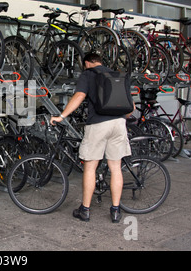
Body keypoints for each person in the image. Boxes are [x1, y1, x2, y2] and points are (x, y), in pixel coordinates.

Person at [50, 52, 134, 223]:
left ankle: (85, 210)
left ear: (87, 63)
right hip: (119, 123)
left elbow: (79, 96)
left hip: (98, 124)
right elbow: (130, 107)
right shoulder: (117, 75)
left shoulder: (88, 74)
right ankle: (116, 211)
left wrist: (61, 116)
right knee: (115, 167)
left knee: (90, 167)